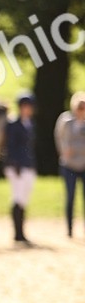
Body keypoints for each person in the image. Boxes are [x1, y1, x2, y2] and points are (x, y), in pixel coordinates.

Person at [4, 91, 37, 246]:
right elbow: (10, 146)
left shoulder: (30, 124)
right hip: (17, 166)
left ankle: (22, 232)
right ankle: (17, 233)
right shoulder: (13, 125)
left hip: (28, 164)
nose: (27, 109)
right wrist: (14, 163)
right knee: (17, 197)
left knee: (24, 198)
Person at [54, 90, 85, 238]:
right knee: (70, 196)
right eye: (80, 107)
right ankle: (70, 229)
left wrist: (76, 149)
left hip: (84, 164)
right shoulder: (66, 121)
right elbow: (59, 137)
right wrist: (63, 151)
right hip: (69, 164)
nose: (81, 110)